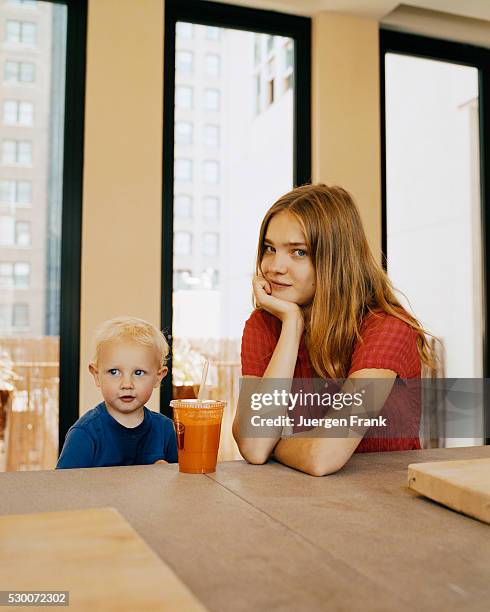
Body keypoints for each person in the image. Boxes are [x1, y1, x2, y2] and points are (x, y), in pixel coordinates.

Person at [233, 184, 436, 477]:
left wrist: (275, 443)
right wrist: (292, 324)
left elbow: (323, 456)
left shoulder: (387, 328)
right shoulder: (264, 325)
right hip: (310, 500)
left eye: (299, 252)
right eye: (270, 248)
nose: (275, 266)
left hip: (391, 501)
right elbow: (253, 446)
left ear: (335, 260)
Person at [57, 316, 177, 469]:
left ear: (158, 377)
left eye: (139, 372)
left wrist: (167, 473)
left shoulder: (165, 430)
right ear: (96, 375)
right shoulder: (85, 434)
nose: (127, 384)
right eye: (114, 372)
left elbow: (180, 485)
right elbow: (63, 487)